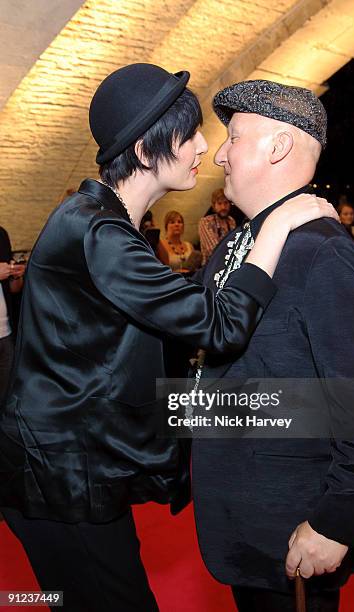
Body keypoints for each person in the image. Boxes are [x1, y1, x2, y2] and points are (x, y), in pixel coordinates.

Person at [0, 64, 335, 612]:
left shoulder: (99, 220)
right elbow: (220, 324)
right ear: (144, 148)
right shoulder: (97, 231)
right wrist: (271, 230)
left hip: (74, 468)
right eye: (189, 135)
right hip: (58, 475)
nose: (207, 146)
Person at [191, 80, 354, 612]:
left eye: (234, 137)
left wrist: (336, 521)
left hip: (289, 528)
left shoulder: (325, 255)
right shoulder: (239, 245)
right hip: (242, 515)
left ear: (278, 147)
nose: (220, 153)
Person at [0, 226, 25, 405]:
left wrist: (17, 275)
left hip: (5, 333)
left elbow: (13, 289)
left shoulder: (1, 234)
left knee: (6, 399)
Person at [199, 187, 236, 263]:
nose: (223, 207)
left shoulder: (231, 221)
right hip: (211, 268)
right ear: (213, 205)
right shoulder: (206, 222)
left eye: (226, 203)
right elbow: (213, 250)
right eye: (219, 203)